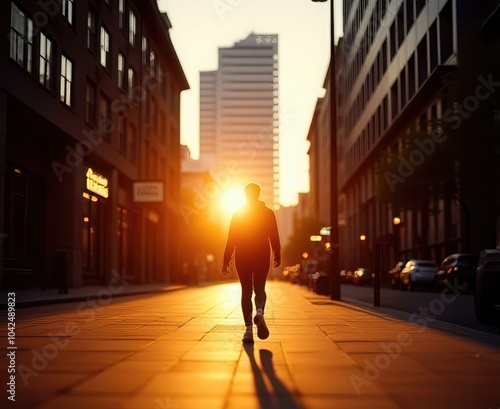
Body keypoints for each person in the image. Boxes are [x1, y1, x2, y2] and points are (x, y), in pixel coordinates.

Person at [222, 182, 281, 343]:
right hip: (262, 256)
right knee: (260, 288)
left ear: (245, 195)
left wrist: (226, 261)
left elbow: (231, 238)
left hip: (243, 257)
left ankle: (248, 330)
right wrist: (277, 253)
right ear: (258, 194)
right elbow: (273, 235)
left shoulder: (238, 213)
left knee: (246, 291)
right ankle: (260, 312)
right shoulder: (268, 213)